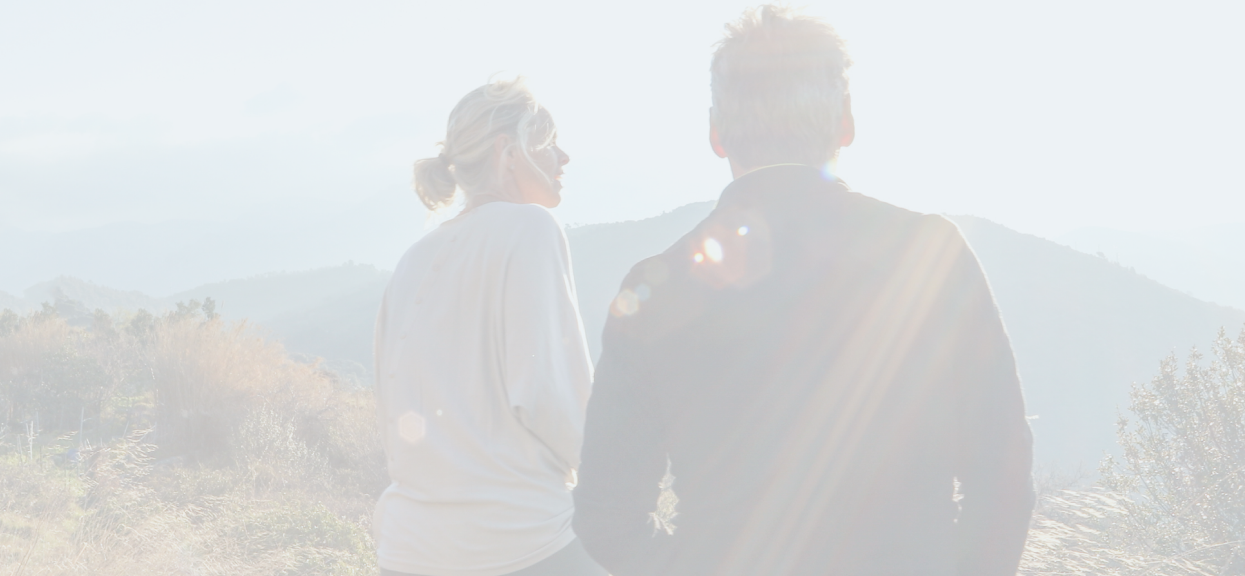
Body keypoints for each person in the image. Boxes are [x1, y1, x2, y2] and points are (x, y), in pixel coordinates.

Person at [572, 6, 1036, 576]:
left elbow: (605, 516)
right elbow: (1002, 474)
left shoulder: (654, 288)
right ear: (846, 123)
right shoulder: (926, 253)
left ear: (715, 133)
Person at [373, 78, 607, 576]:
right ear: (509, 152)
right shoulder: (530, 228)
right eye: (547, 142)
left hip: (409, 548)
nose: (563, 157)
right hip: (519, 543)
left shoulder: (412, 260)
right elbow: (553, 398)